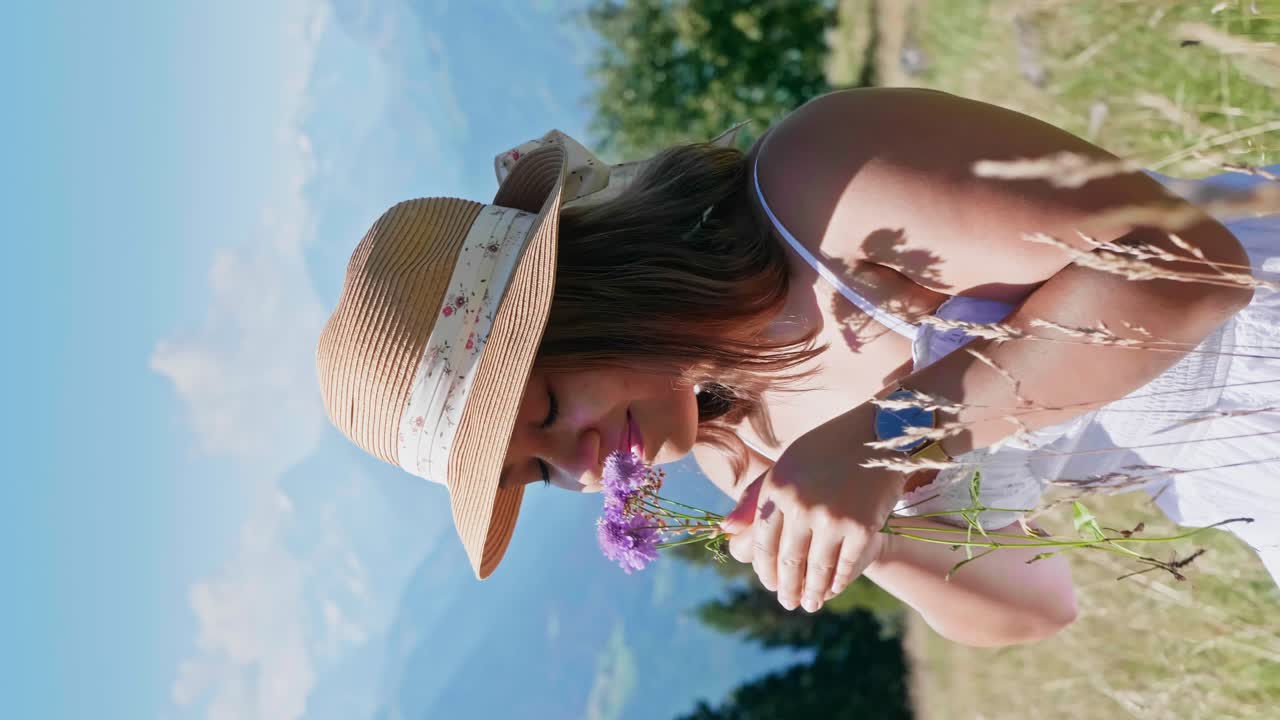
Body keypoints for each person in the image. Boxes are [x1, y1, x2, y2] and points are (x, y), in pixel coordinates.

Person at [316, 88, 1279, 647]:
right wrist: (878, 542)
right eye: (536, 471)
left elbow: (1187, 267)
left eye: (549, 406)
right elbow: (1038, 606)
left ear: (579, 299)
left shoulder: (817, 190)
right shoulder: (745, 466)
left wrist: (887, 438)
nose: (580, 466)